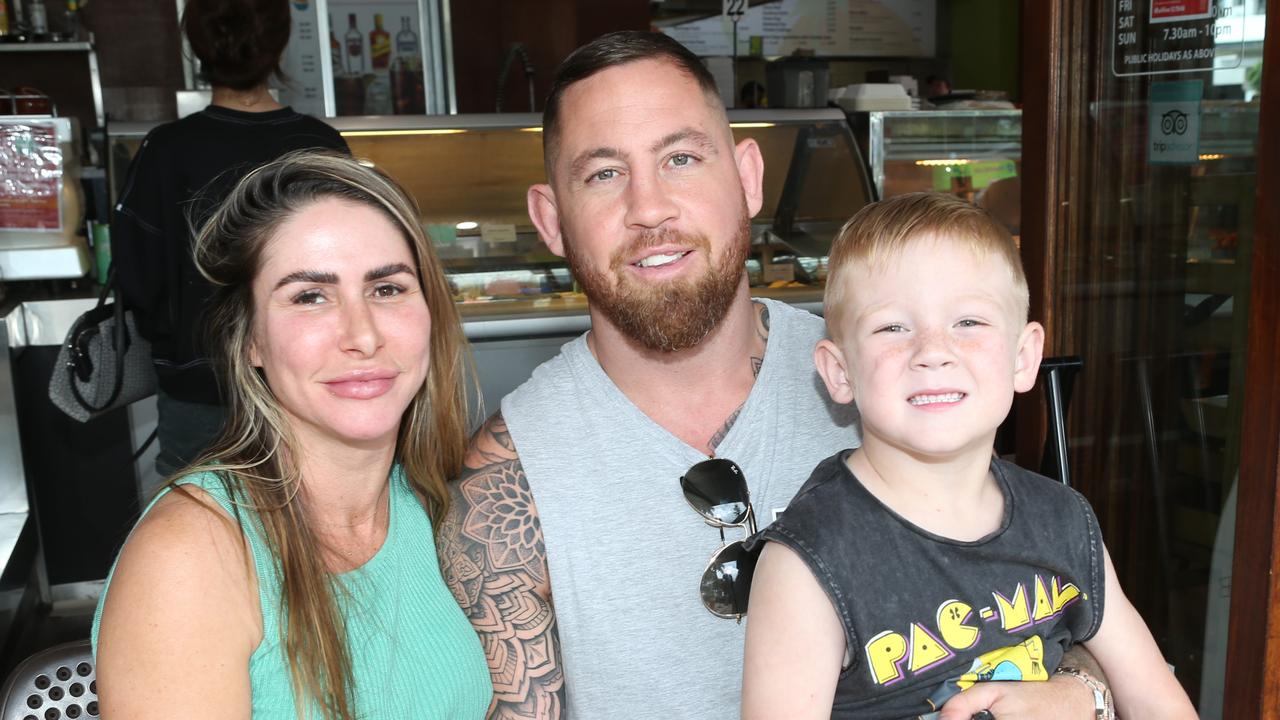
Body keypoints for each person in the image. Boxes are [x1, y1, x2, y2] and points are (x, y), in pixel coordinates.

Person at [436, 31, 1101, 719]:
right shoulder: (505, 491)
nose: (650, 208)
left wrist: (1085, 693)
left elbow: (1046, 594)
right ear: (550, 219)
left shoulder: (893, 377)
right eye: (604, 174)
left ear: (749, 177)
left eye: (682, 158)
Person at [740, 193, 1197, 719]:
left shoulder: (1066, 520)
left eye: (969, 323)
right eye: (893, 327)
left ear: (1023, 358)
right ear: (840, 372)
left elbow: (1158, 698)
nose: (933, 350)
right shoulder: (808, 562)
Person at [93, 152, 493, 719]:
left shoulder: (431, 503)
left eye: (387, 289)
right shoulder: (190, 556)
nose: (363, 336)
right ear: (251, 341)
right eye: (310, 296)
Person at [113, 0, 349, 478]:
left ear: (197, 47)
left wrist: (180, 345)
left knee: (197, 535)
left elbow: (137, 280)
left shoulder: (166, 150)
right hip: (307, 386)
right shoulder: (321, 146)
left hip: (200, 394)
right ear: (279, 44)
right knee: (308, 534)